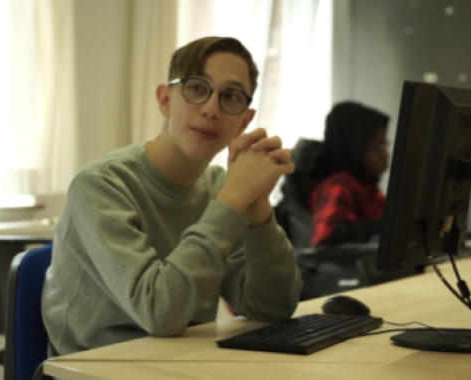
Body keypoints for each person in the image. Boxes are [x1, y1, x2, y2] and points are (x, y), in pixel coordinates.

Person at [42, 36, 303, 356]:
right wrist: (233, 199)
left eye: (230, 96)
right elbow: (159, 313)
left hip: (185, 361)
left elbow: (272, 308)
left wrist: (258, 207)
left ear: (244, 122)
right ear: (165, 100)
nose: (210, 109)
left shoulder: (219, 187)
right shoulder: (100, 184)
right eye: (196, 88)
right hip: (96, 367)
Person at [309, 101, 390, 246]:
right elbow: (326, 234)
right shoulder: (339, 184)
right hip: (353, 267)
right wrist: (383, 225)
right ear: (354, 145)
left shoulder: (368, 189)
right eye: (378, 147)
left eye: (385, 146)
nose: (386, 155)